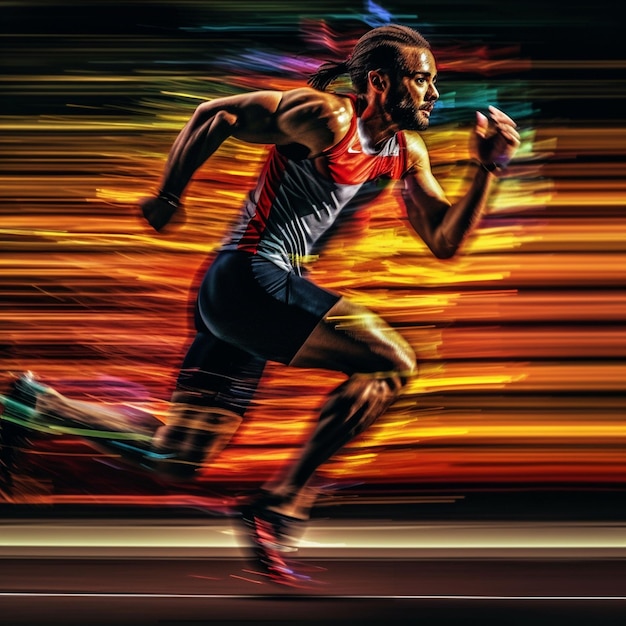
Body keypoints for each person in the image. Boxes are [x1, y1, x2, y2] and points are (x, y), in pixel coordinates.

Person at [1, 24, 520, 585]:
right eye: (422, 81)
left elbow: (444, 241)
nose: (434, 95)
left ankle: (37, 406)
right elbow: (214, 114)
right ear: (379, 81)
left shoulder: (403, 151)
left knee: (175, 458)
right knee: (392, 361)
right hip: (248, 277)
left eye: (434, 83)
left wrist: (487, 169)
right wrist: (169, 195)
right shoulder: (328, 117)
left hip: (249, 301)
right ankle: (280, 502)